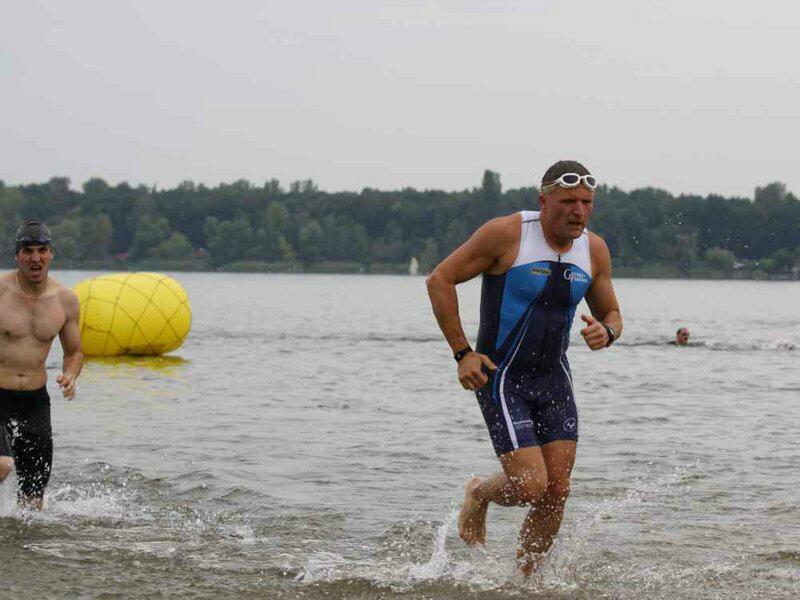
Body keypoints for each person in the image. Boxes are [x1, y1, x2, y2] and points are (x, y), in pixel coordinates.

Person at [426, 160, 623, 573]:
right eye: (568, 201)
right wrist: (463, 353)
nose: (579, 211)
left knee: (558, 490)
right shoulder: (508, 234)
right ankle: (479, 492)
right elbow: (440, 279)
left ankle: (526, 582)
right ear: (544, 201)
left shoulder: (594, 249)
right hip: (501, 376)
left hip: (554, 378)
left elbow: (613, 313)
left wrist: (606, 331)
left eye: (587, 202)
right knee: (531, 486)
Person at [0, 219, 83, 509]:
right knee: (3, 465)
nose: (35, 258)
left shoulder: (65, 300)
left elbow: (74, 352)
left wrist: (70, 375)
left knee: (33, 500)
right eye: (28, 251)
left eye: (41, 250)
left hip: (35, 402)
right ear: (17, 255)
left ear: (51, 254)